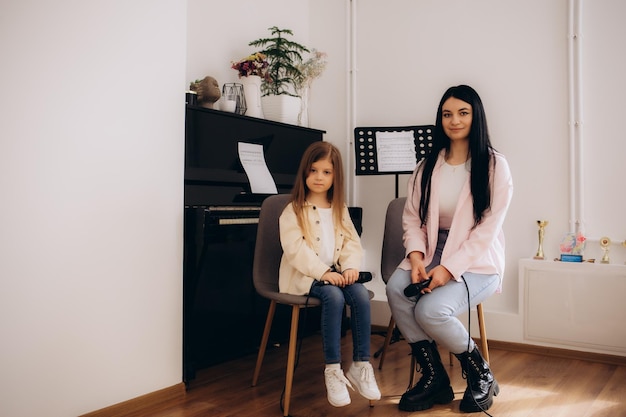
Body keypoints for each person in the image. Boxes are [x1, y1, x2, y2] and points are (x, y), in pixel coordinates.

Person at [386, 85, 513, 413]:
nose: (454, 120)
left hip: (477, 258)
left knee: (430, 310)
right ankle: (435, 379)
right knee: (397, 289)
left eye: (462, 113)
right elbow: (412, 218)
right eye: (447, 114)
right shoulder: (427, 166)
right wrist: (415, 257)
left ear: (476, 116)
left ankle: (481, 373)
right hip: (430, 250)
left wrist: (447, 270)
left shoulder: (496, 166)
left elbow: (486, 232)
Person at [278, 141, 381, 407]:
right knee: (334, 298)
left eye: (326, 172)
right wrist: (323, 272)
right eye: (313, 170)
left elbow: (351, 243)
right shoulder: (293, 210)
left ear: (335, 177)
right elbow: (295, 251)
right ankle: (333, 369)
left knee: (358, 292)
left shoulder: (339, 208)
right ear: (304, 173)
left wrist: (349, 268)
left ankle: (360, 364)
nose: (319, 177)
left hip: (334, 273)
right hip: (306, 276)